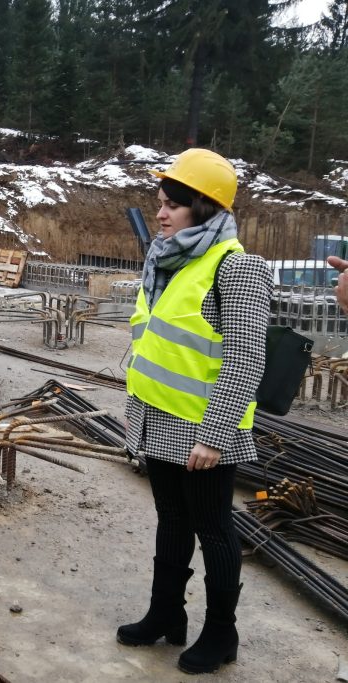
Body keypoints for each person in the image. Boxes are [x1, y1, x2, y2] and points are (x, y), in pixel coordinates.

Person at [120, 148, 273, 674]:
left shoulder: (236, 266)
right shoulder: (166, 261)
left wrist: (214, 434)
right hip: (159, 415)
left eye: (173, 205)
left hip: (207, 427)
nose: (161, 214)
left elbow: (247, 356)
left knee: (213, 528)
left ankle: (220, 633)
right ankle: (166, 614)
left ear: (204, 208)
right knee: (171, 519)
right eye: (160, 203)